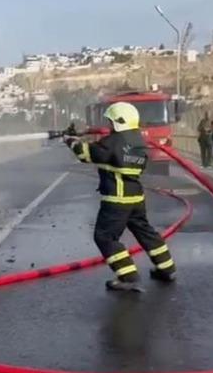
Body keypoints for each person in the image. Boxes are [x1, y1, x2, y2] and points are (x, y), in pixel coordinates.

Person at [65, 102, 177, 292]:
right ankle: (166, 268)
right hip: (136, 197)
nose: (108, 125)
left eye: (110, 121)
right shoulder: (138, 140)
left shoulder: (113, 141)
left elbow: (87, 154)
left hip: (117, 199)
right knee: (146, 232)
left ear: (119, 122)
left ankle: (128, 276)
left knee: (105, 237)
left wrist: (71, 141)